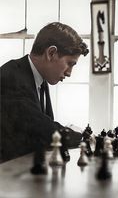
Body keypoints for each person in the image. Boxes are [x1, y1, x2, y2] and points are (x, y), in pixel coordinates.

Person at [0, 22, 89, 162]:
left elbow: (43, 123)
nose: (69, 73)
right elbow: (43, 131)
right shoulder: (11, 77)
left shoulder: (40, 78)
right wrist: (82, 136)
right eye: (70, 63)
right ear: (51, 53)